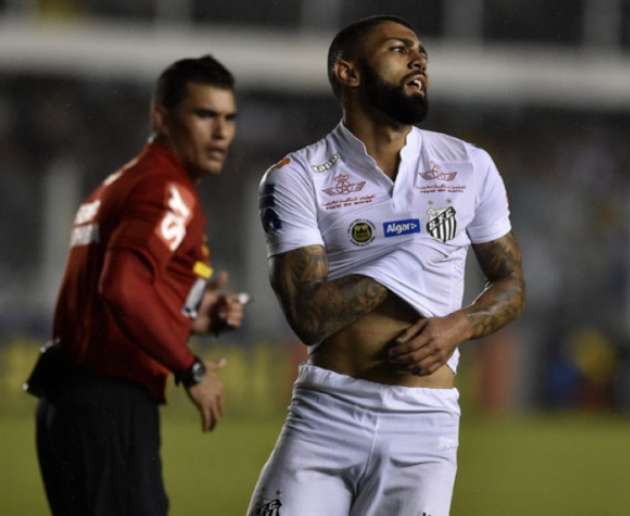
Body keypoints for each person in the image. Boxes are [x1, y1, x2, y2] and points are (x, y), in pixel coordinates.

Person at [248, 15, 525, 516]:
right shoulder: (297, 176)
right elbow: (310, 317)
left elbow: (510, 283)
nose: (419, 59)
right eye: (399, 49)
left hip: (424, 428)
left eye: (422, 51)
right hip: (326, 415)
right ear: (348, 73)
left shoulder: (469, 165)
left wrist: (457, 327)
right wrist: (413, 255)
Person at [32, 55, 246, 516]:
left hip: (71, 402)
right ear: (160, 117)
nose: (222, 132)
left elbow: (111, 297)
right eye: (205, 114)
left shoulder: (118, 183)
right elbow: (122, 288)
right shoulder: (167, 190)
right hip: (109, 405)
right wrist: (191, 369)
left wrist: (193, 314)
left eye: (229, 118)